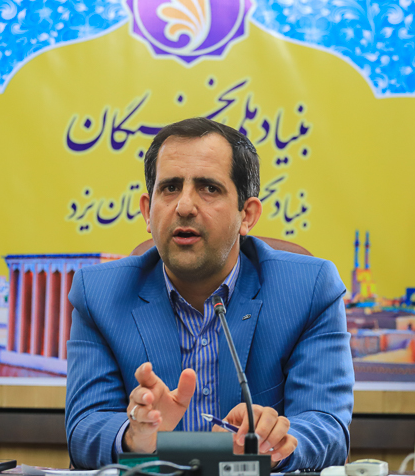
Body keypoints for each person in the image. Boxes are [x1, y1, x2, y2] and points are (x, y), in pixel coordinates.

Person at [65, 117, 354, 470]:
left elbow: (327, 425)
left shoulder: (308, 289)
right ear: (147, 211)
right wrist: (134, 437)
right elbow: (85, 427)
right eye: (170, 188)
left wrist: (275, 442)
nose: (184, 206)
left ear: (247, 215)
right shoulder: (99, 295)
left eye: (209, 188)